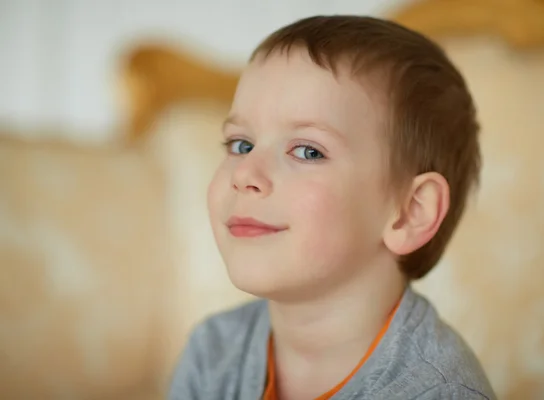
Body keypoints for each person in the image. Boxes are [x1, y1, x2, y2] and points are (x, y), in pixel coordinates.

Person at [169, 15, 496, 400]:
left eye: (308, 151)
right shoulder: (213, 352)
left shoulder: (438, 393)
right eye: (241, 144)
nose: (245, 172)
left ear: (410, 211)